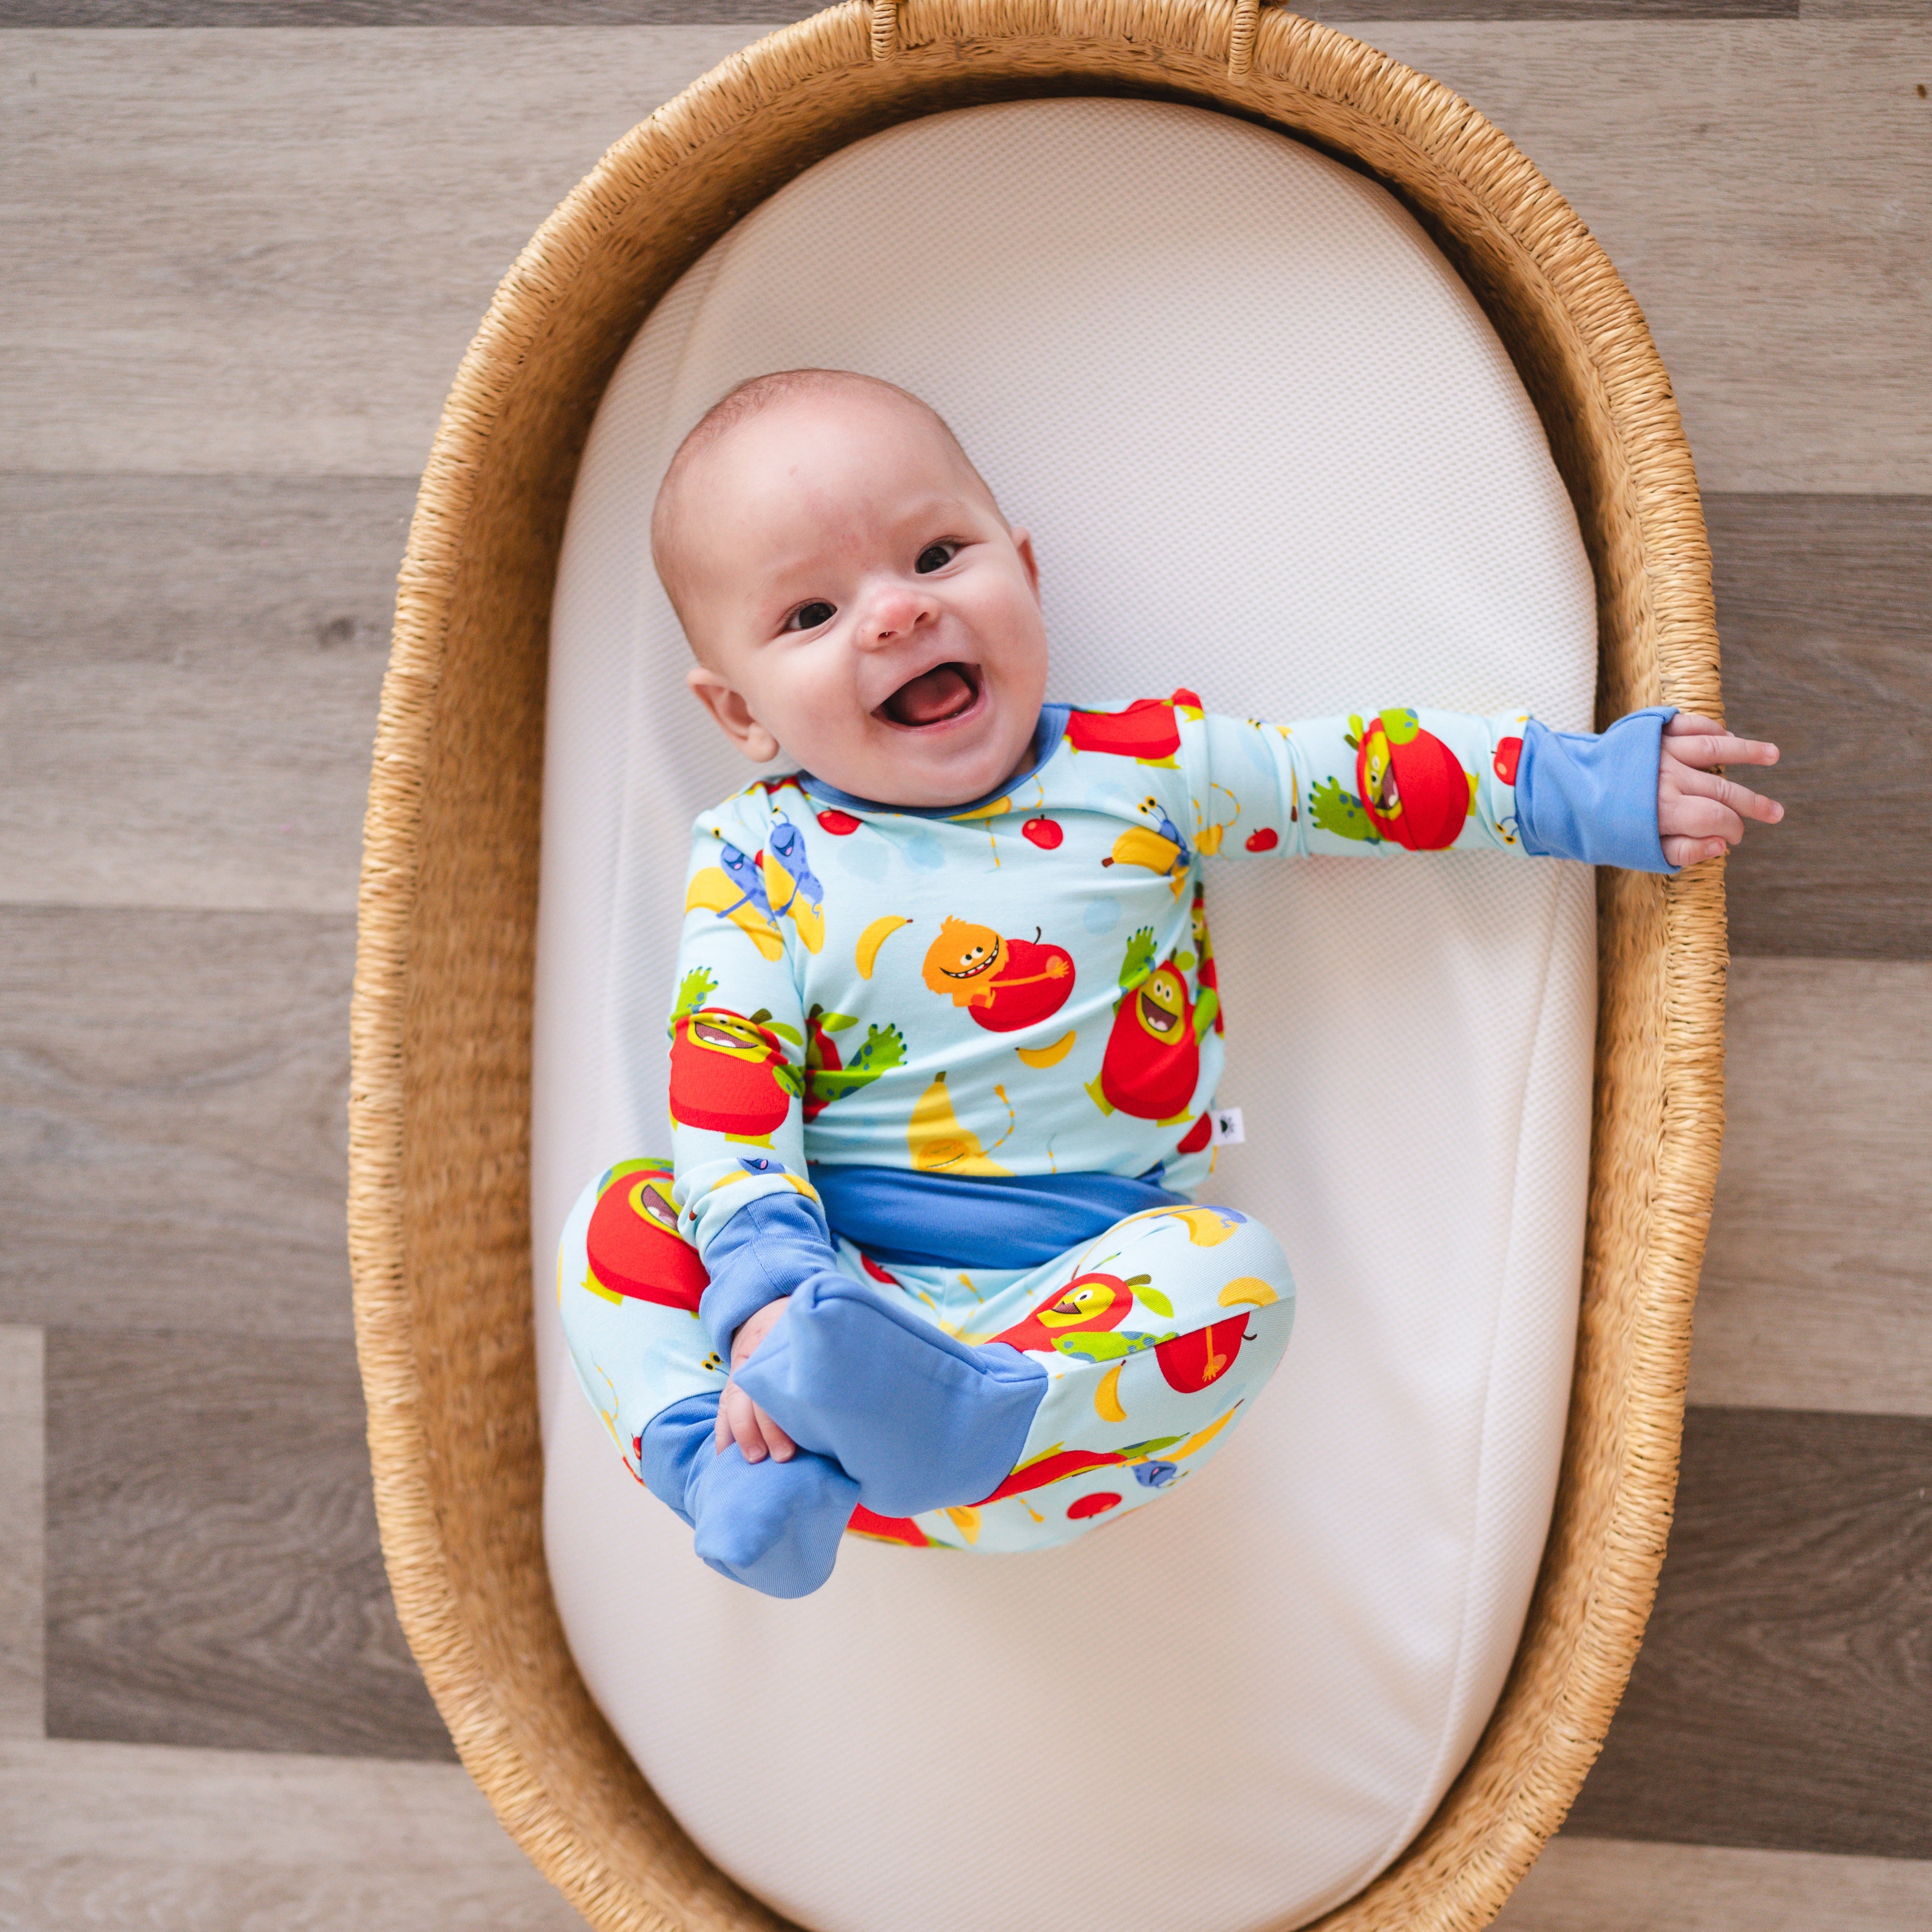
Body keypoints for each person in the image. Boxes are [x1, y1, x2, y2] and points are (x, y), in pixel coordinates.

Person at [556, 368, 1782, 1598]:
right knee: (618, 1221)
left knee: (1230, 1275)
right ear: (739, 712)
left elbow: (1347, 776)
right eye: (812, 614)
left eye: (934, 555)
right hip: (818, 1313)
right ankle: (719, 1469)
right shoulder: (760, 857)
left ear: (1024, 573)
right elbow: (726, 1084)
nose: (893, 616)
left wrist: (1578, 789)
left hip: (1058, 1355)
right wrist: (769, 1305)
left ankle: (943, 1418)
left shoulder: (1139, 769)